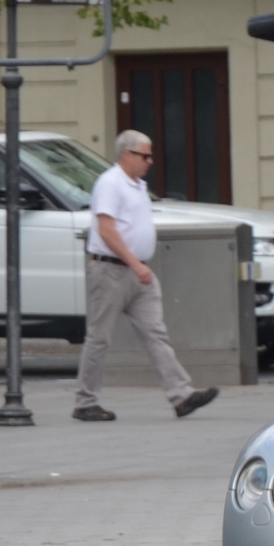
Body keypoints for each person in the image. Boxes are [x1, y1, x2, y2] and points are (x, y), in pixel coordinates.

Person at [74, 129, 217, 422]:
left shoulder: (137, 186)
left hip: (137, 271)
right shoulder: (110, 183)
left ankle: (181, 395)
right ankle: (85, 401)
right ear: (126, 155)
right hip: (111, 269)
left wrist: (139, 265)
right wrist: (134, 263)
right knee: (99, 337)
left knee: (156, 334)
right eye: (145, 155)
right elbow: (106, 229)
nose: (150, 161)